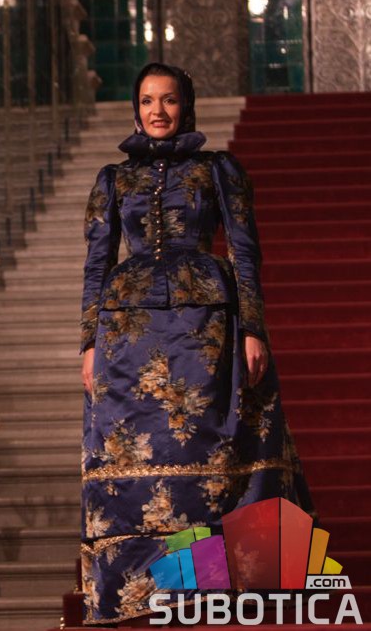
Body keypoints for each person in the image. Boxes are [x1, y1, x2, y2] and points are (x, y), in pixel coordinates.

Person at [78, 62, 314, 624]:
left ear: (186, 105)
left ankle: (216, 582)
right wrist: (88, 342)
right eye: (147, 100)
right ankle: (145, 588)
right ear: (136, 108)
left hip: (207, 329)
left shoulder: (218, 170)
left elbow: (246, 253)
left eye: (169, 99)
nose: (157, 111)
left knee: (206, 451)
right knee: (136, 455)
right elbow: (96, 265)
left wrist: (253, 329)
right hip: (127, 335)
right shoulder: (112, 179)